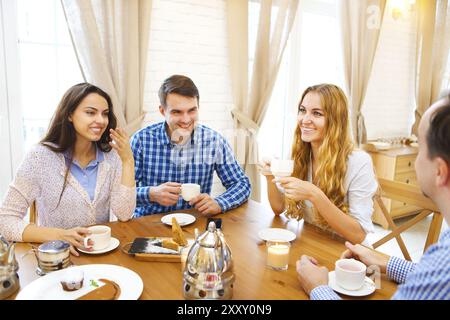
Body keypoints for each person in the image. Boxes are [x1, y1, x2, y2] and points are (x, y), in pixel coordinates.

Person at [296, 93, 450, 300]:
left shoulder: (442, 267)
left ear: (440, 171)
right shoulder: (444, 247)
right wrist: (389, 263)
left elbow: (437, 277)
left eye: (420, 147)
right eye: (302, 110)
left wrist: (318, 288)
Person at [0, 83, 136, 256]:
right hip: (58, 257)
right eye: (90, 112)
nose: (101, 120)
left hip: (100, 255)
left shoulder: (112, 156)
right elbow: (5, 220)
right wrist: (60, 235)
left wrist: (127, 160)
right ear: (70, 114)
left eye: (105, 114)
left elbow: (124, 214)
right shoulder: (40, 157)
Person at [259, 84, 377, 244]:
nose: (305, 120)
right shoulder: (299, 154)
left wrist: (314, 194)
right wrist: (269, 176)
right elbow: (278, 207)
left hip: (346, 252)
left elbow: (359, 235)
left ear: (335, 120)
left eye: (317, 113)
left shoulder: (359, 162)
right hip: (312, 242)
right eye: (302, 110)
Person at [131, 75, 251, 217]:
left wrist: (220, 203)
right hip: (148, 224)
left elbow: (241, 184)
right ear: (163, 111)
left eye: (192, 110)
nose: (186, 119)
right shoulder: (141, 141)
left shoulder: (214, 141)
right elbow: (119, 196)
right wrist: (151, 194)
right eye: (177, 112)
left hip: (195, 225)